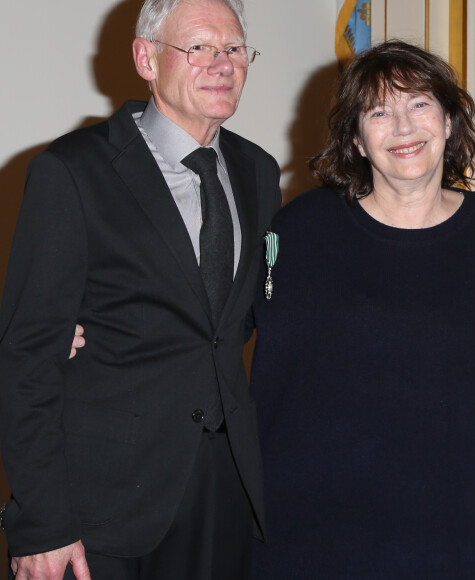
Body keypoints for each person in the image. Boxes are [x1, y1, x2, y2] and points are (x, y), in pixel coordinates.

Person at [247, 40, 475, 579]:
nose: (403, 127)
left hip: (438, 519)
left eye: (419, 104)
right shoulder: (303, 228)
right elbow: (217, 326)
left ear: (448, 121)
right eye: (379, 111)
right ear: (356, 137)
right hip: (305, 520)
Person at [0, 0, 281, 578]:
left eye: (233, 49)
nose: (221, 63)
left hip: (225, 493)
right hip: (102, 507)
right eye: (198, 47)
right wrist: (41, 521)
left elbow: (234, 317)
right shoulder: (72, 170)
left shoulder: (258, 172)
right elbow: (28, 356)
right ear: (146, 58)